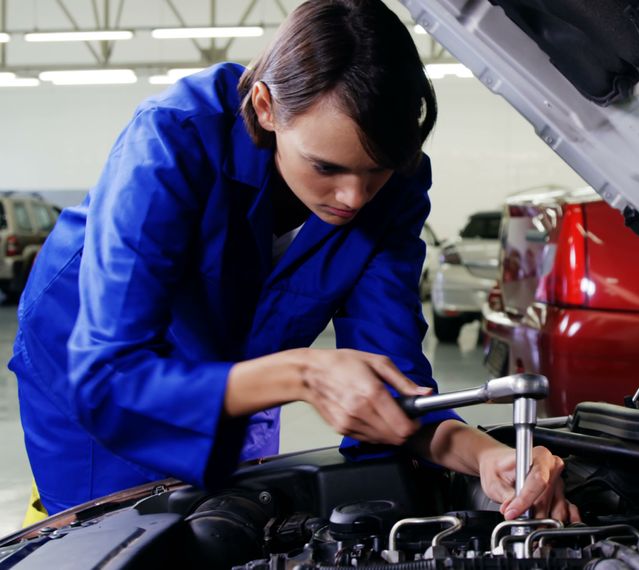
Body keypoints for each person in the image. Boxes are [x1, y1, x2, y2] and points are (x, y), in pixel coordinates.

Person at [10, 0, 577, 524]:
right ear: (266, 107)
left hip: (228, 361)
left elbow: (395, 385)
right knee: (123, 533)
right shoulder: (172, 139)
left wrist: (485, 455)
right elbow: (108, 375)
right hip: (88, 363)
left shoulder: (397, 190)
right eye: (326, 168)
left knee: (227, 523)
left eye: (375, 171)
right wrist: (301, 373)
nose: (354, 199)